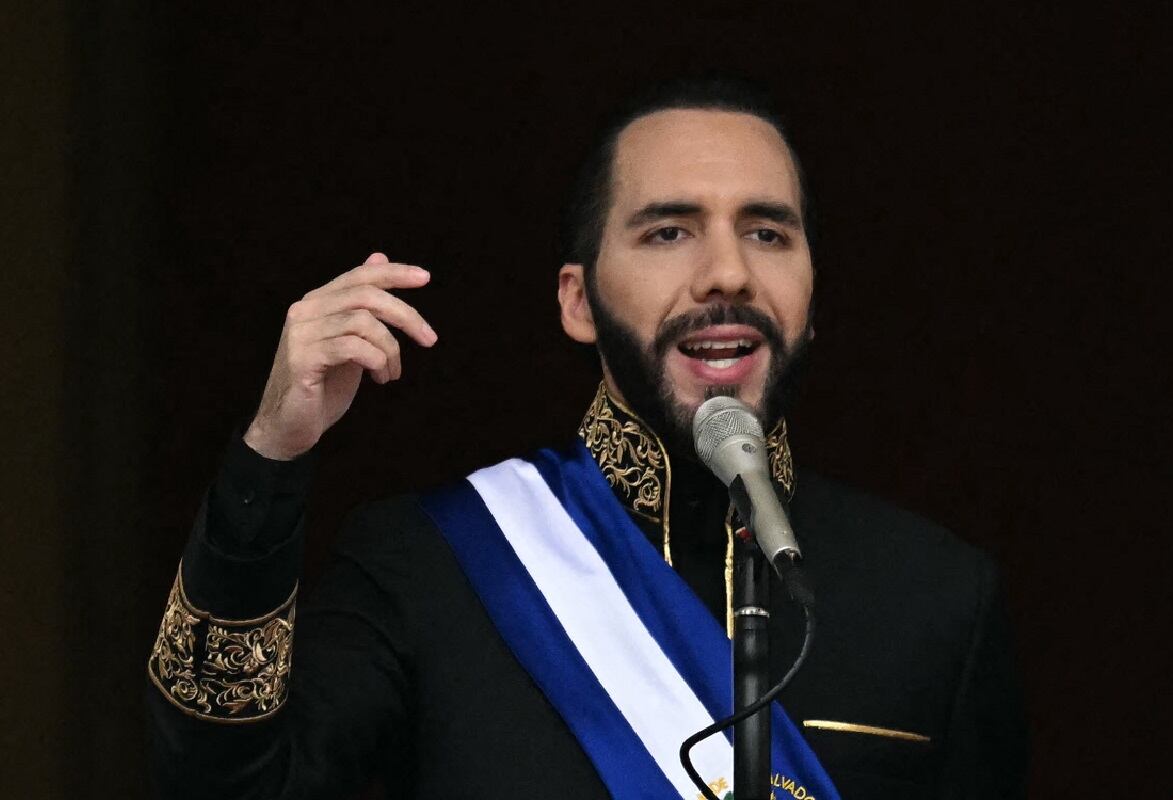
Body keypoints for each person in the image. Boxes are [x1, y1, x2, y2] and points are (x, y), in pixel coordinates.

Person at [146, 77, 1028, 799]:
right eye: (669, 231)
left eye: (767, 232)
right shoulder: (431, 565)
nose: (728, 271)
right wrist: (271, 453)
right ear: (578, 300)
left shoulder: (937, 595)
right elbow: (220, 788)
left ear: (811, 293)